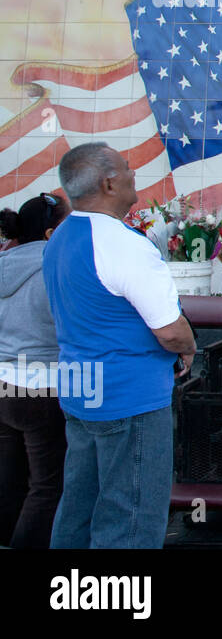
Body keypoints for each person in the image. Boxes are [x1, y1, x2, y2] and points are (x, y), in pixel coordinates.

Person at [42, 142, 197, 549]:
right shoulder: (123, 243)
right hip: (129, 398)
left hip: (80, 390)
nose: (134, 174)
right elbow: (169, 329)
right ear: (110, 183)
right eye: (128, 169)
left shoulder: (60, 236)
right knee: (131, 514)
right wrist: (189, 347)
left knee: (79, 505)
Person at [0, 192, 70, 548]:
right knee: (47, 487)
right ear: (49, 233)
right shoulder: (55, 265)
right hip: (43, 387)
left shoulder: (3, 262)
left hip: (4, 385)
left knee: (9, 480)